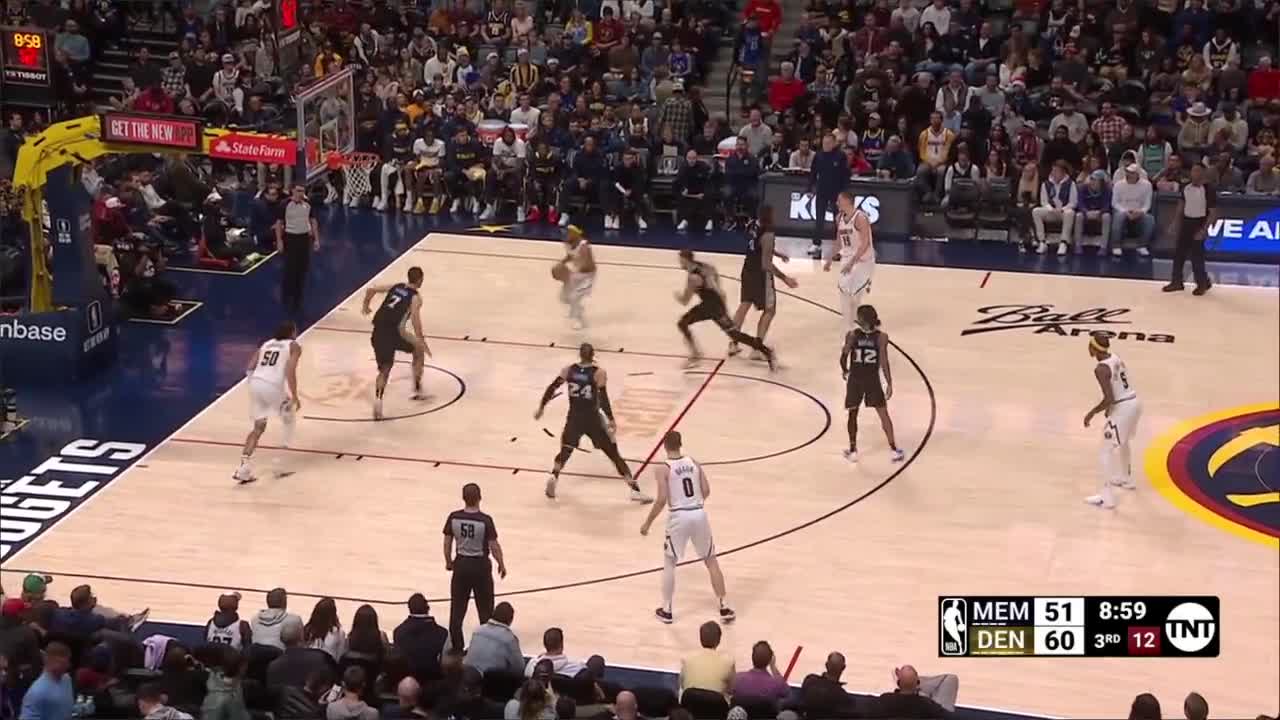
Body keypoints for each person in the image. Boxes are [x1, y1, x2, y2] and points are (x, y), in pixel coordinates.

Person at [533, 343, 651, 502]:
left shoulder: (569, 370)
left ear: (580, 355)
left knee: (566, 450)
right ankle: (634, 490)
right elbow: (603, 398)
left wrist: (541, 407)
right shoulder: (598, 373)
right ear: (593, 355)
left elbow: (552, 388)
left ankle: (554, 475)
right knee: (613, 454)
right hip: (593, 420)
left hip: (574, 418)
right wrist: (610, 418)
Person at [638, 431, 734, 624]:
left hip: (678, 516)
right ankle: (724, 607)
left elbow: (661, 500)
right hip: (698, 513)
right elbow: (706, 490)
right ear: (680, 444)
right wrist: (694, 503)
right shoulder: (694, 463)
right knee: (711, 560)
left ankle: (667, 610)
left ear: (665, 446)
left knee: (670, 562)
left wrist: (647, 523)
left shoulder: (663, 468)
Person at [675, 250, 776, 370]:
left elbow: (685, 301)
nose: (680, 263)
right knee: (735, 335)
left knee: (682, 323)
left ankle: (695, 354)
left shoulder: (693, 277)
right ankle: (766, 351)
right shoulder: (707, 267)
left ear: (686, 260)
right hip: (717, 304)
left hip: (708, 307)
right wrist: (722, 304)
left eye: (681, 261)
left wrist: (678, 297)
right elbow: (718, 287)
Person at [233, 320, 302, 484]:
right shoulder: (294, 346)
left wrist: (255, 383)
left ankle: (243, 468)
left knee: (258, 428)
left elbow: (250, 367)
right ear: (292, 332)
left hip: (256, 384)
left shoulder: (267, 343)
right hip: (272, 386)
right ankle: (279, 464)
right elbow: (290, 370)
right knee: (289, 420)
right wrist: (294, 395)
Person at [442, 483, 508, 652]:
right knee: (485, 610)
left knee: (457, 609)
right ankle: (485, 646)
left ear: (463, 498)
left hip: (461, 565)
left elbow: (447, 542)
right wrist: (501, 563)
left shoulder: (454, 517)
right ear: (480, 498)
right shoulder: (485, 520)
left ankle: (457, 647)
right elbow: (493, 545)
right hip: (480, 567)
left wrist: (448, 561)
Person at [361, 267, 432, 420]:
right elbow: (415, 322)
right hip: (395, 334)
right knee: (418, 350)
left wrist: (366, 305)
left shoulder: (397, 286)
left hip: (378, 333)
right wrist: (422, 340)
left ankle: (378, 401)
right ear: (420, 280)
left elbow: (371, 289)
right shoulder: (415, 298)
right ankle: (418, 390)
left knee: (384, 371)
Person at [1082, 333, 1142, 509]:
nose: (1088, 348)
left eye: (1090, 345)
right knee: (1124, 442)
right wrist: (1111, 408)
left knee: (1105, 450)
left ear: (1094, 348)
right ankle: (1126, 478)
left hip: (1123, 408)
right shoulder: (1115, 357)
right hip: (1133, 402)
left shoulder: (1100, 369)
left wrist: (1092, 413)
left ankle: (1106, 498)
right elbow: (1117, 386)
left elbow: (1109, 398)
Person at [730, 205, 797, 359]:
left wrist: (777, 254)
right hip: (760, 276)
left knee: (744, 305)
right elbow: (766, 264)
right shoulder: (769, 234)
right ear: (770, 216)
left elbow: (758, 245)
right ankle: (757, 348)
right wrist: (785, 278)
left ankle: (733, 343)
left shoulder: (754, 224)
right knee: (770, 310)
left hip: (747, 269)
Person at [840, 305, 904, 463]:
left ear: (862, 320)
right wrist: (889, 383)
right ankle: (894, 449)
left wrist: (845, 370)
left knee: (853, 414)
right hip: (872, 380)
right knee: (883, 414)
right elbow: (884, 361)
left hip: (855, 380)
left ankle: (853, 451)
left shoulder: (852, 335)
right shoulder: (882, 337)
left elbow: (843, 356)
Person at [824, 192, 876, 333]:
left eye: (839, 200)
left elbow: (865, 244)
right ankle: (848, 326)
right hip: (847, 259)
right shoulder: (839, 218)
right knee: (844, 291)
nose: (836, 203)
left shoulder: (860, 218)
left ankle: (857, 323)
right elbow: (839, 242)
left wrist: (852, 263)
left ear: (847, 201)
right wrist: (829, 259)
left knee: (855, 296)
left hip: (863, 260)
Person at [1162, 162, 1216, 296]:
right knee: (1179, 253)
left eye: (1197, 171)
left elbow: (1213, 212)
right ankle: (1177, 282)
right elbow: (1181, 206)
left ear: (1203, 173)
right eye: (1193, 171)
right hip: (1186, 221)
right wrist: (1175, 223)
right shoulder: (1185, 187)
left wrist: (1204, 230)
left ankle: (1202, 283)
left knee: (1197, 256)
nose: (1194, 174)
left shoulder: (1209, 189)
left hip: (1199, 222)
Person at [278, 185, 318, 316]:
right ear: (292, 191)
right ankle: (286, 295)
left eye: (303, 191)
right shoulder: (284, 204)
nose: (301, 193)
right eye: (298, 191)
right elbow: (279, 223)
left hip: (304, 238)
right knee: (290, 268)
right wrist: (279, 241)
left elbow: (313, 221)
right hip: (290, 238)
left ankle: (297, 297)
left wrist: (316, 239)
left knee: (302, 269)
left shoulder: (308, 204)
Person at [1032, 161, 1078, 256]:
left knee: (1070, 213)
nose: (1054, 173)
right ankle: (1042, 242)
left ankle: (1063, 242)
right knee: (1036, 211)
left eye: (1056, 171)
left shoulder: (1071, 184)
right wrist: (1051, 209)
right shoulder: (1046, 184)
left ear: (1063, 173)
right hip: (1051, 212)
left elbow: (1073, 202)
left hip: (1063, 212)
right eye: (1053, 171)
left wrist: (1062, 209)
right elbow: (1044, 202)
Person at [18, 641, 73, 720]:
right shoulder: (37, 691)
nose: (68, 665)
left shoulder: (67, 679)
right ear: (54, 661)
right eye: (65, 662)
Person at [1109, 164, 1155, 257]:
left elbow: (1147, 204)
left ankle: (1142, 246)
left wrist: (1140, 212)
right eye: (1128, 172)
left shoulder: (1147, 185)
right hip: (1122, 211)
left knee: (1149, 219)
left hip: (1138, 212)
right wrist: (1125, 211)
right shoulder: (1118, 185)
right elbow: (1114, 203)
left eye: (1132, 173)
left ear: (1138, 174)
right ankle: (1116, 246)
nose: (1130, 174)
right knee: (1118, 216)